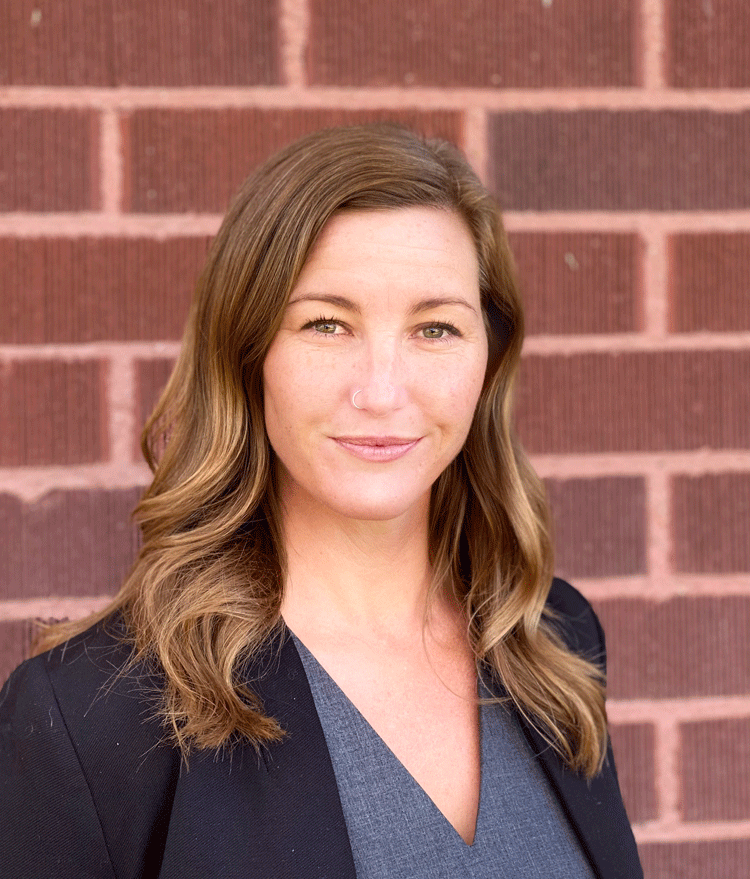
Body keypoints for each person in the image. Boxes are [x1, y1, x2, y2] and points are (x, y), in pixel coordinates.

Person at [0, 124, 642, 879]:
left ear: (487, 361)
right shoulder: (90, 717)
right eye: (326, 323)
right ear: (248, 353)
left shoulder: (553, 642)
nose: (381, 392)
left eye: (436, 328)